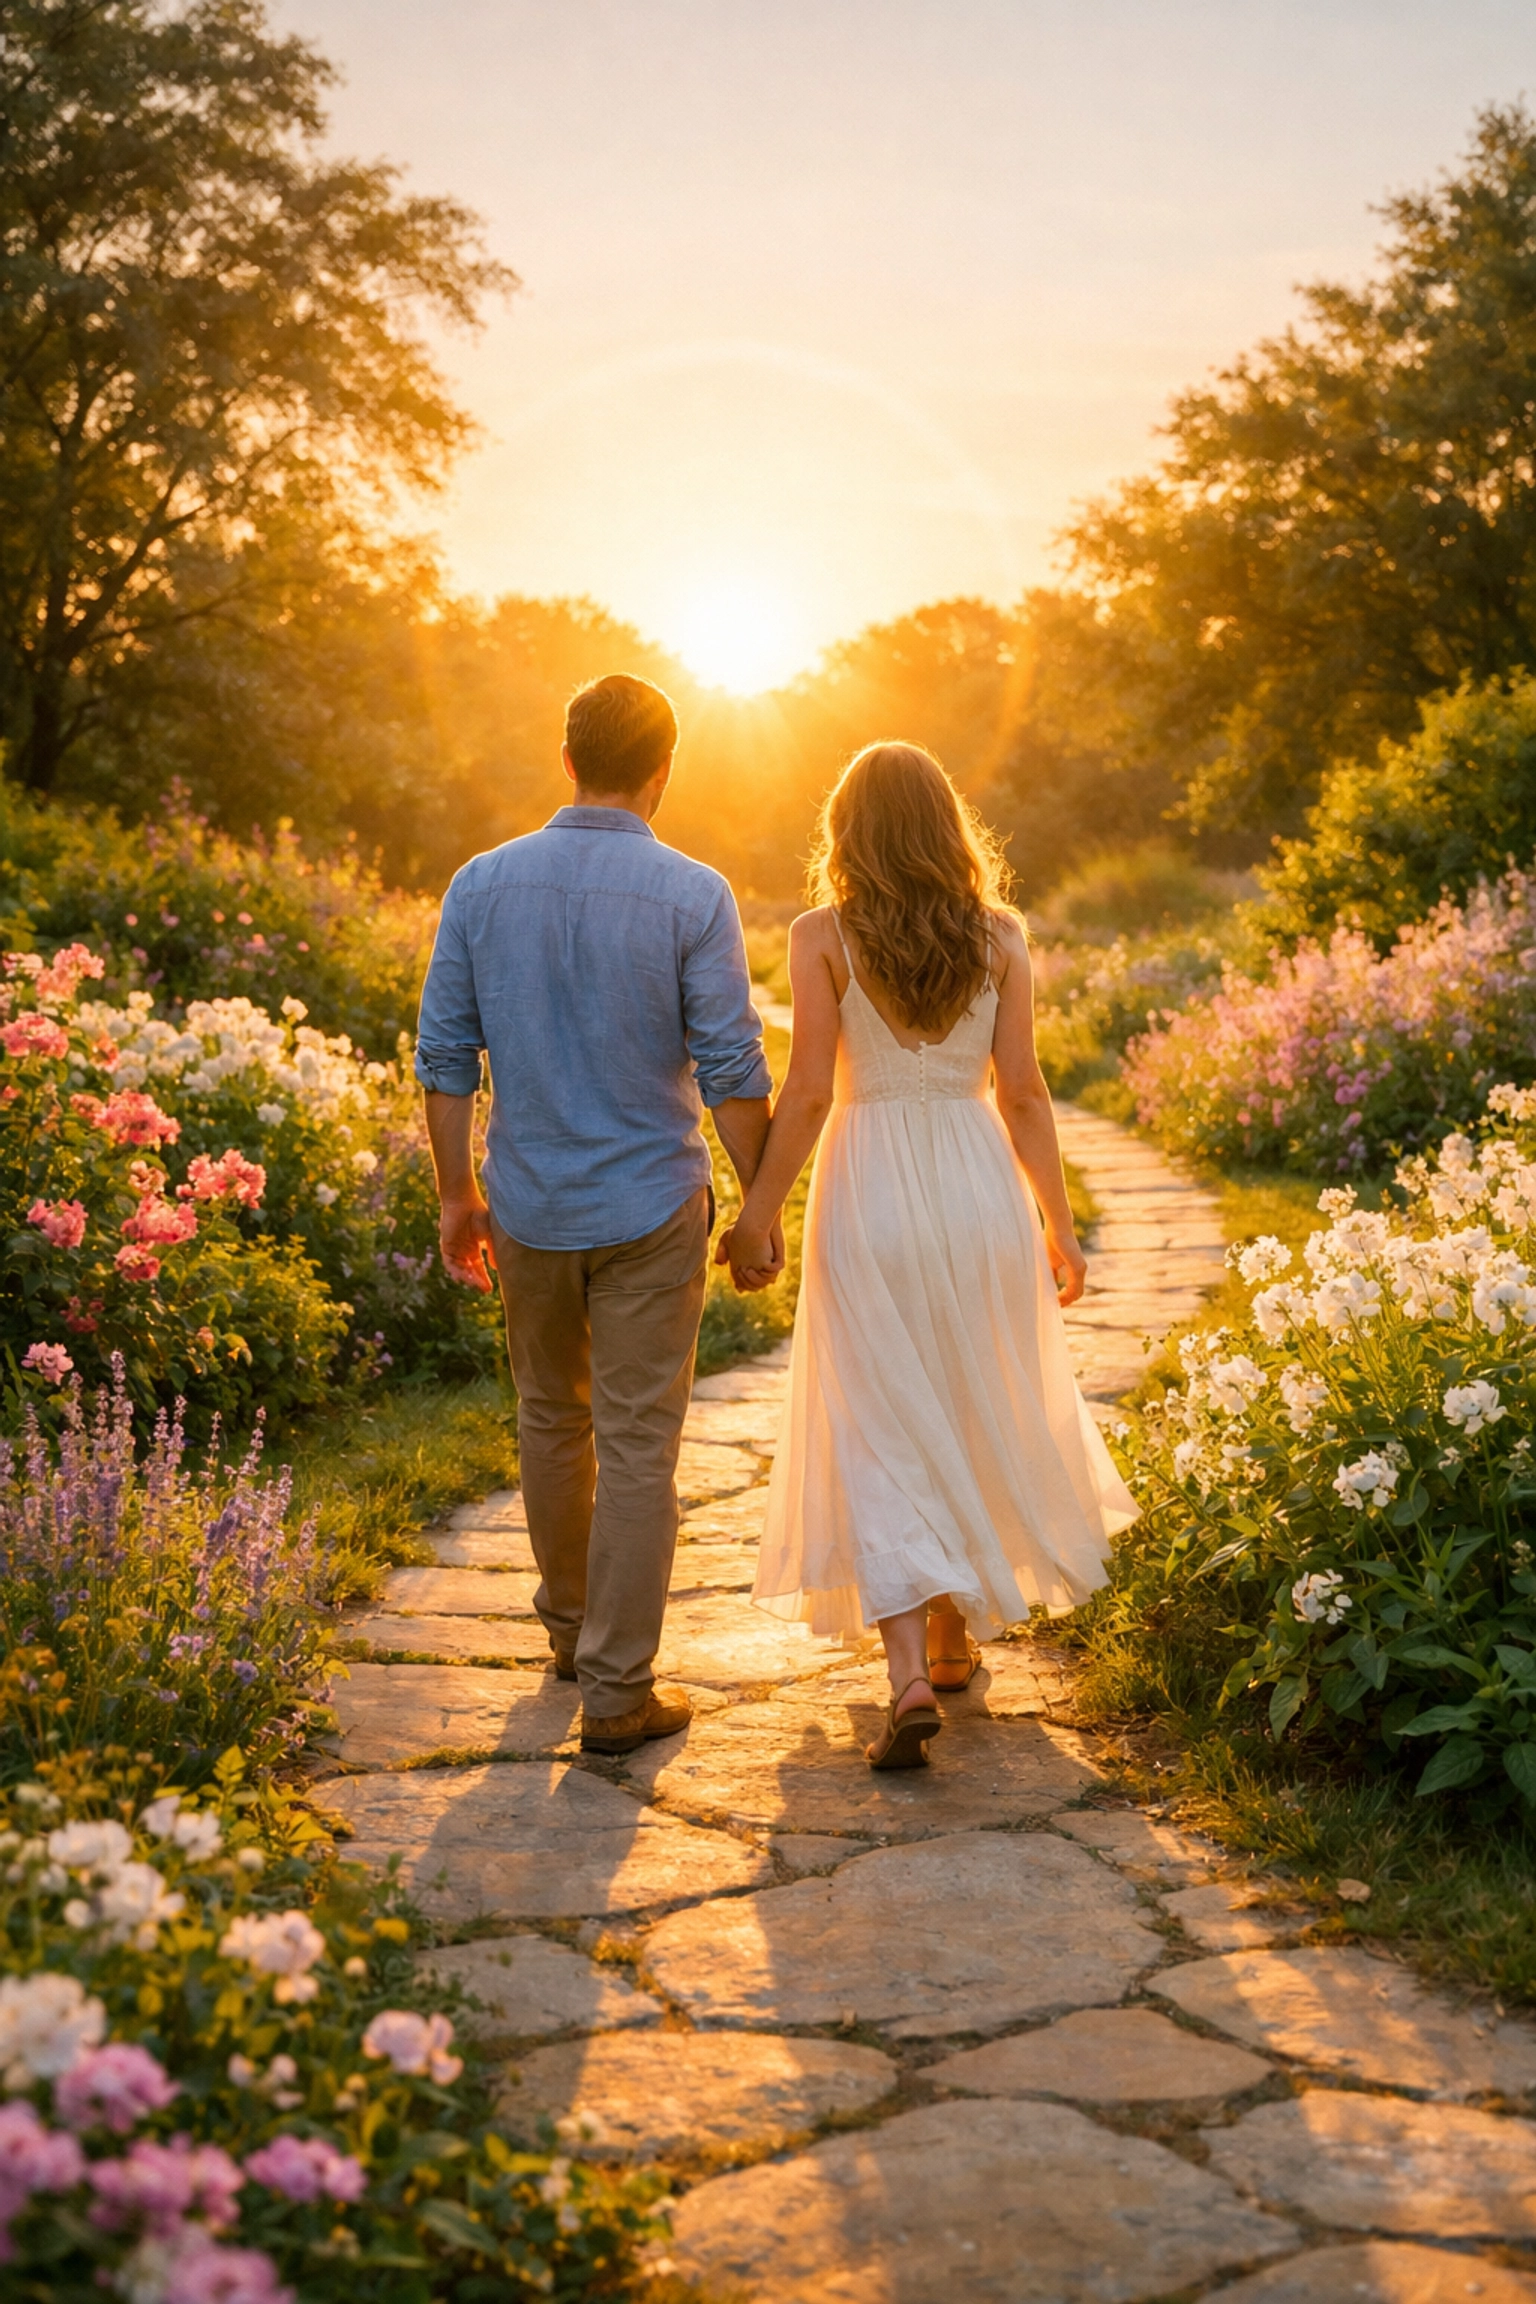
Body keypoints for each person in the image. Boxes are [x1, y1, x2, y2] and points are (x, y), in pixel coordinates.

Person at [722, 742, 1137, 1769]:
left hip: (870, 1187)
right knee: (959, 1395)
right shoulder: (1000, 936)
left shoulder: (821, 936)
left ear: (847, 830)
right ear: (948, 826)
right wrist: (1059, 1225)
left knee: (878, 1417)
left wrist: (758, 1215)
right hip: (977, 1185)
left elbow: (807, 1092)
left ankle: (910, 1667)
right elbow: (1024, 1093)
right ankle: (954, 1643)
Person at [415, 673, 780, 1755]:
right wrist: (759, 1205)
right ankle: (618, 1690)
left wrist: (457, 1193)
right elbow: (731, 1067)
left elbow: (446, 1055)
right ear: (664, 771)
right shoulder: (694, 894)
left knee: (549, 1419)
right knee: (636, 1446)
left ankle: (573, 1636)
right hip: (651, 1204)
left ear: (567, 760)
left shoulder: (480, 884)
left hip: (528, 1202)